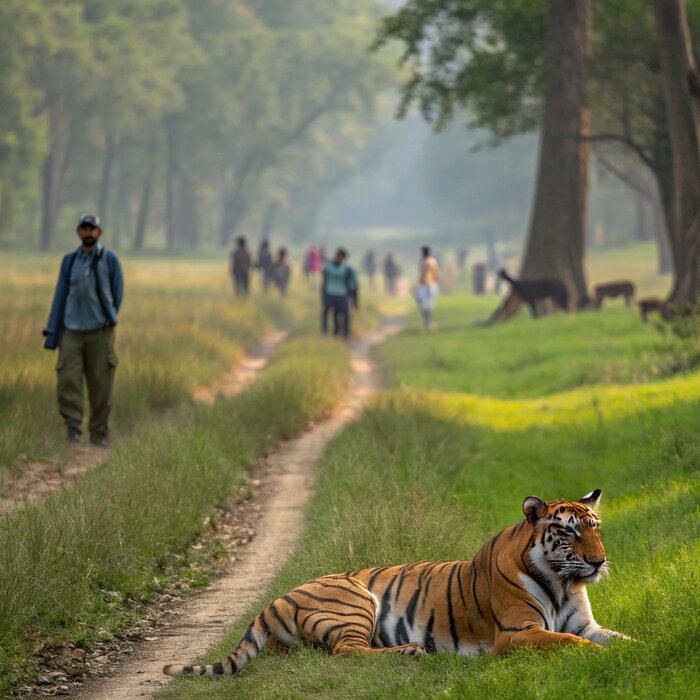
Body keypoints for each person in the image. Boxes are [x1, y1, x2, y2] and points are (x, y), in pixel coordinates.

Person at [43, 214, 124, 447]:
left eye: (92, 229)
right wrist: (53, 331)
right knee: (68, 379)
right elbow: (60, 295)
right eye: (84, 229)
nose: (88, 233)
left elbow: (117, 293)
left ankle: (99, 433)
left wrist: (108, 317)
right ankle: (73, 428)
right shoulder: (69, 261)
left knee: (101, 384)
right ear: (79, 233)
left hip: (100, 332)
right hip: (71, 331)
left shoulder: (109, 259)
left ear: (99, 233)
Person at [321, 248, 358, 339]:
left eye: (339, 256)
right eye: (336, 256)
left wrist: (354, 300)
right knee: (327, 312)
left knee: (344, 314)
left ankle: (346, 332)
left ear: (343, 258)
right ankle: (326, 331)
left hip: (342, 294)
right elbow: (324, 281)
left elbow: (353, 285)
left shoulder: (347, 269)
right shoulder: (328, 267)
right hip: (330, 293)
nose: (337, 258)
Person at [415, 245, 440, 330]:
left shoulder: (428, 261)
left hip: (428, 285)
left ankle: (428, 323)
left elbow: (430, 273)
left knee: (426, 306)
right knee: (426, 305)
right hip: (427, 284)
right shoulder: (430, 261)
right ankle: (428, 323)